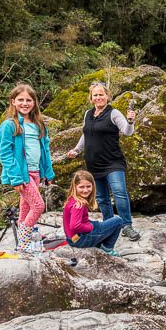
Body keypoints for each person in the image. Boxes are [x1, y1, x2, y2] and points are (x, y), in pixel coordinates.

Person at [66, 81, 141, 240]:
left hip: (113, 162)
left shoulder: (114, 113)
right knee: (101, 198)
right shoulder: (88, 114)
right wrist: (77, 150)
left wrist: (130, 121)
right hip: (93, 163)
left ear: (107, 96)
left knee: (119, 192)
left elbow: (127, 132)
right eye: (95, 95)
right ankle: (110, 225)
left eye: (101, 94)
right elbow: (86, 134)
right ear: (91, 98)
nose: (98, 97)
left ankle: (127, 226)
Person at [0, 83, 55, 251]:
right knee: (38, 206)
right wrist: (15, 177)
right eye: (20, 100)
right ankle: (23, 244)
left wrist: (48, 173)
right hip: (22, 174)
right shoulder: (9, 125)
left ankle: (22, 243)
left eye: (28, 100)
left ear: (34, 102)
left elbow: (45, 151)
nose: (25, 103)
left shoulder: (39, 124)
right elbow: (5, 153)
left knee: (26, 207)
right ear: (13, 102)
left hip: (36, 172)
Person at [63, 170, 123, 256]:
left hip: (72, 239)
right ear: (75, 186)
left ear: (93, 186)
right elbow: (75, 225)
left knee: (97, 224)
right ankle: (107, 248)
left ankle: (98, 239)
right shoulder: (78, 204)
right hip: (80, 240)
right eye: (81, 187)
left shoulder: (72, 200)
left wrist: (92, 224)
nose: (85, 190)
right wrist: (90, 227)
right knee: (118, 220)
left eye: (88, 186)